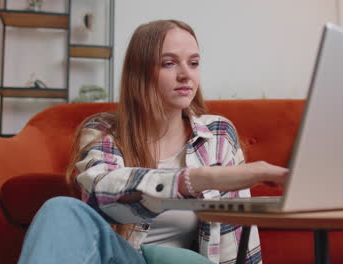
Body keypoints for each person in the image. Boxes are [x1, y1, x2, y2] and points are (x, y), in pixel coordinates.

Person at [17, 19, 288, 264]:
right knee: (60, 208)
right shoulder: (102, 131)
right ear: (140, 73)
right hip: (122, 258)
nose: (186, 75)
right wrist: (200, 179)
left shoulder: (217, 134)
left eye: (193, 63)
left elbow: (238, 238)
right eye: (169, 63)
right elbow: (100, 196)